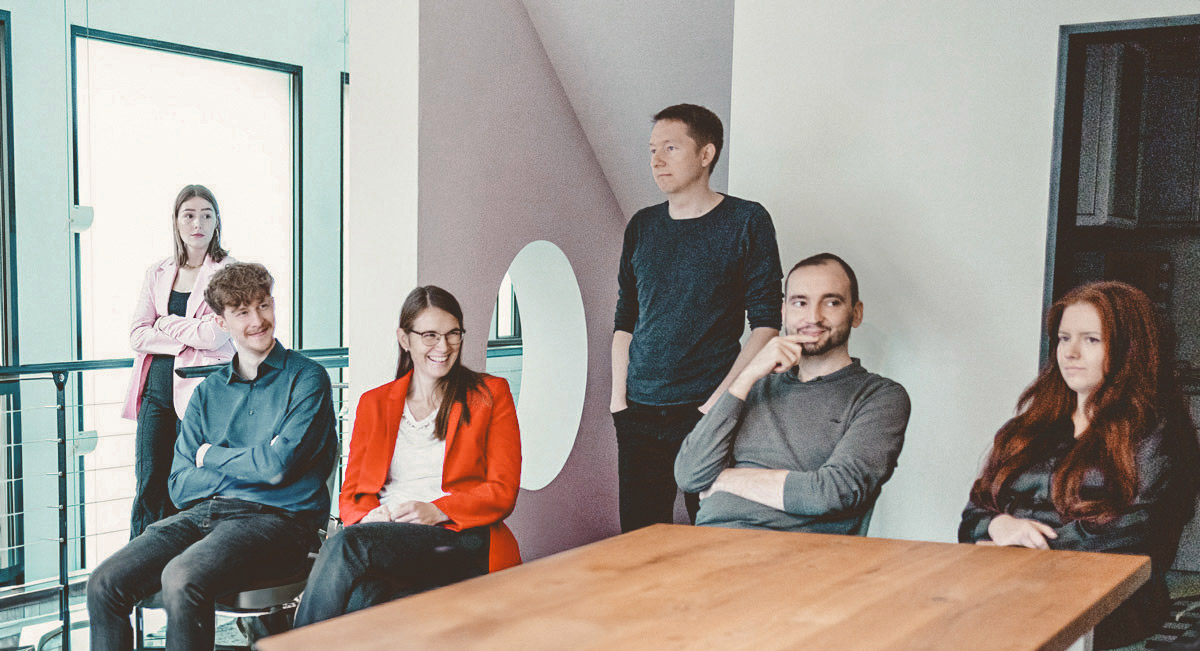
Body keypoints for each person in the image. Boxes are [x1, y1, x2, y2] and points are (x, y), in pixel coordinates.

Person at [88, 263, 337, 651]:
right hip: (203, 515)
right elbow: (180, 484)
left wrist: (210, 456)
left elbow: (278, 468)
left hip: (278, 522)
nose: (258, 320)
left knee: (182, 578)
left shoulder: (307, 379)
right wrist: (249, 463)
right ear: (221, 322)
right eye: (242, 312)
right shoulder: (208, 393)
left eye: (264, 306)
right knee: (105, 582)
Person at [959, 281, 1200, 650]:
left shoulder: (1161, 433)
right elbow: (974, 511)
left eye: (1091, 340)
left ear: (1130, 349)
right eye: (1063, 338)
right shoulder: (1031, 426)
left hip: (1106, 617)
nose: (1069, 352)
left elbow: (1133, 531)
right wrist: (998, 523)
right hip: (1008, 599)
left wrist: (1023, 555)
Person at [293, 285, 521, 627]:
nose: (443, 347)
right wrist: (372, 517)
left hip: (458, 538)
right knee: (363, 599)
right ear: (405, 339)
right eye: (429, 335)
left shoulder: (489, 394)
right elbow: (352, 492)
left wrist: (435, 510)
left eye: (452, 334)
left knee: (347, 544)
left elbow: (502, 490)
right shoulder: (374, 403)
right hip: (385, 538)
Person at [612, 103, 783, 532]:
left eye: (670, 147)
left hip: (707, 410)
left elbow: (766, 323)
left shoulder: (746, 221)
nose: (656, 160)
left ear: (706, 155)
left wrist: (718, 403)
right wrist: (619, 401)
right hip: (638, 411)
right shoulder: (642, 226)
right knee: (639, 539)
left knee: (714, 535)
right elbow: (624, 321)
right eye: (652, 149)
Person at [674, 253, 909, 532]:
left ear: (855, 313)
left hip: (798, 558)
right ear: (784, 312)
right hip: (707, 546)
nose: (813, 317)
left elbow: (833, 492)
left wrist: (724, 480)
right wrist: (747, 375)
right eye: (800, 303)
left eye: (831, 302)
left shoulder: (879, 396)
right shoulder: (754, 386)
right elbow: (690, 475)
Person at [121, 184, 236, 538]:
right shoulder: (157, 272)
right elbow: (137, 334)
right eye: (188, 215)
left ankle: (181, 571)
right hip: (156, 389)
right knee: (150, 479)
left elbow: (215, 334)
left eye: (206, 214)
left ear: (217, 222)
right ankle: (138, 575)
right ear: (176, 222)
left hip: (202, 392)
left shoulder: (230, 271)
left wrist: (166, 323)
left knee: (187, 480)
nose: (197, 222)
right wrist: (188, 333)